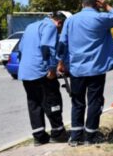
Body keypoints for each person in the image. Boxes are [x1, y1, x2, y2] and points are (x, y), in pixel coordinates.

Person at [57, 0, 113, 146]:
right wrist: (107, 6)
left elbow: (62, 44)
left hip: (76, 70)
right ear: (97, 4)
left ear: (82, 4)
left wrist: (60, 62)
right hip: (96, 69)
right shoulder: (101, 18)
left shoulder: (71, 20)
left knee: (77, 102)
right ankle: (90, 136)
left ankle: (75, 137)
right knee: (95, 102)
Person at [18, 11, 71, 146]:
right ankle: (58, 133)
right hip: (41, 71)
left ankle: (39, 137)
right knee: (52, 100)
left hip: (26, 71)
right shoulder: (50, 27)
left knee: (34, 103)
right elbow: (47, 47)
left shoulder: (31, 26)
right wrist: (52, 68)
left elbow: (21, 48)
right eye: (62, 27)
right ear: (59, 22)